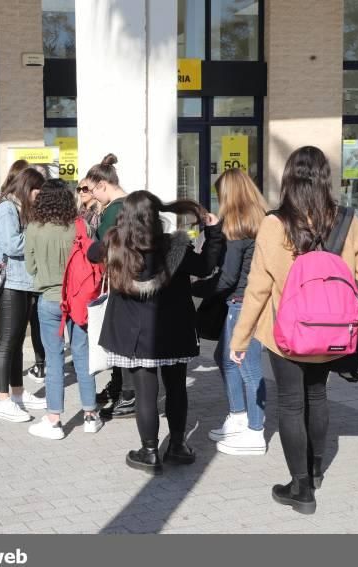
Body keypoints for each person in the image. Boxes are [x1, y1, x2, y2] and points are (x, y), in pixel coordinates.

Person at [230, 146, 358, 513]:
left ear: (289, 180)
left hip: (287, 334)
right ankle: (316, 469)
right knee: (318, 397)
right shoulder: (346, 220)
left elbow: (258, 287)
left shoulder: (274, 223)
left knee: (291, 405)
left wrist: (240, 337)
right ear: (325, 178)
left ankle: (301, 488)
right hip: (332, 334)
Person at [89, 191, 224, 474]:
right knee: (176, 389)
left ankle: (149, 452)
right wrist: (213, 233)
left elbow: (92, 253)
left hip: (134, 335)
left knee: (146, 393)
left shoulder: (115, 244)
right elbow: (206, 266)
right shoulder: (176, 247)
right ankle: (177, 446)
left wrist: (113, 230)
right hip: (173, 331)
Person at [194, 168, 269, 456]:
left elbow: (228, 277)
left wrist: (196, 288)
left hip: (242, 303)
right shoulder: (261, 220)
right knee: (224, 357)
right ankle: (238, 416)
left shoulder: (237, 227)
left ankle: (255, 430)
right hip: (247, 299)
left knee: (247, 368)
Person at [25, 179, 102, 439]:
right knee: (82, 355)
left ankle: (54, 419)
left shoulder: (34, 228)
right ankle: (91, 414)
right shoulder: (80, 226)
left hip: (49, 299)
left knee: (54, 359)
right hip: (79, 299)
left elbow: (30, 268)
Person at [0, 168, 47, 422]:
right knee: (7, 342)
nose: (39, 196)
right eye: (37, 191)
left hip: (24, 282)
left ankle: (18, 394)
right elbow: (12, 244)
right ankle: (2, 400)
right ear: (26, 188)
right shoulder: (6, 209)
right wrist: (38, 235)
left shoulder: (19, 209)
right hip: (11, 282)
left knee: (16, 344)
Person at [82, 154, 134, 418]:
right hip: (129, 279)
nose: (92, 196)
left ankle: (128, 393)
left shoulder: (114, 209)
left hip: (119, 280)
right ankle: (120, 387)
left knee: (120, 338)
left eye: (92, 190)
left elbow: (101, 248)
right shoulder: (132, 203)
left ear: (103, 184)